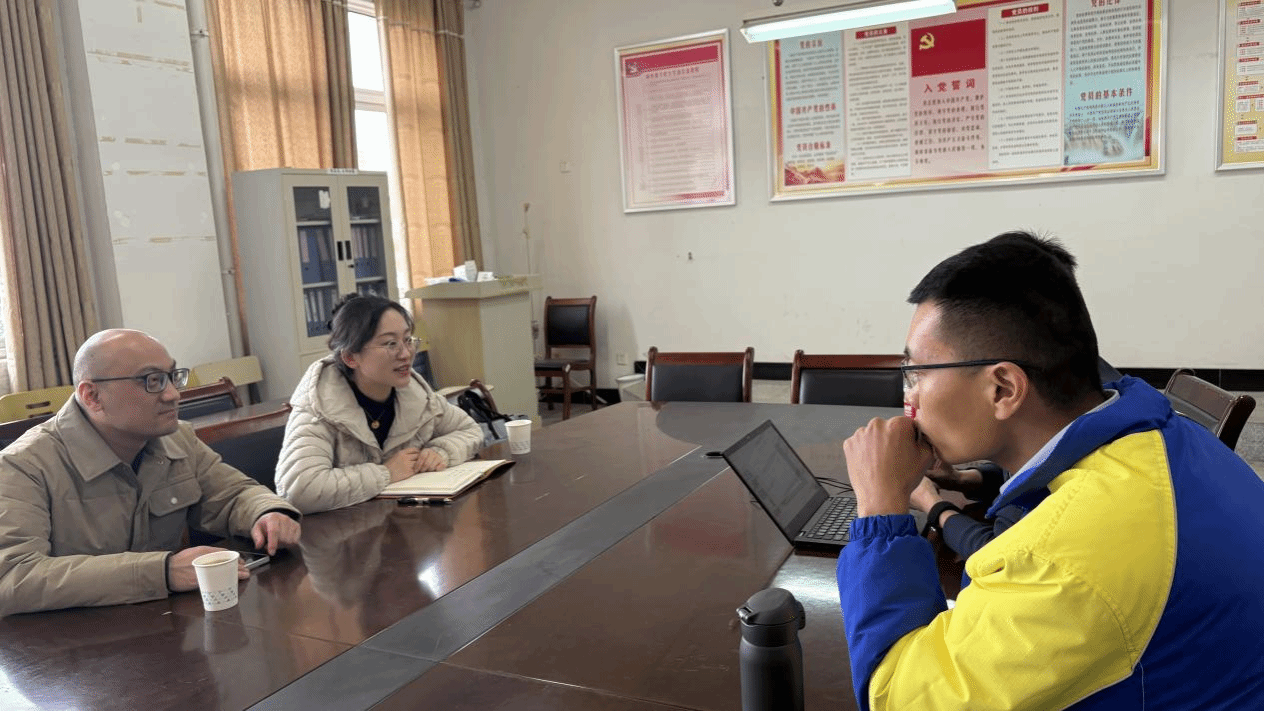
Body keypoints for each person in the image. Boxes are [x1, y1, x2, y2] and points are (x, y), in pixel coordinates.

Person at [838, 231, 1264, 710]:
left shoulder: (1063, 559)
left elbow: (898, 698)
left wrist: (879, 510)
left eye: (916, 372)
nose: (910, 396)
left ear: (1003, 389)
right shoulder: (1161, 435)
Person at [0, 329, 301, 617]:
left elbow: (233, 495)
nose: (173, 394)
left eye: (172, 377)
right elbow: (13, 577)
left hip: (160, 626)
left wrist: (267, 513)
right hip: (66, 643)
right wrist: (162, 572)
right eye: (152, 381)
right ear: (92, 396)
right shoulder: (23, 465)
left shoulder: (176, 438)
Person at [276, 294, 483, 514]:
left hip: (407, 522)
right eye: (390, 343)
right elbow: (298, 489)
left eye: (407, 340)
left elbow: (470, 430)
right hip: (346, 531)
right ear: (350, 357)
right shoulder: (318, 406)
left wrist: (441, 452)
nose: (406, 354)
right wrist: (386, 473)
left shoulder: (417, 395)